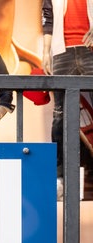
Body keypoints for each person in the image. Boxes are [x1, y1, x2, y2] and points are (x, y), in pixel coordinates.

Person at [41, 0, 93, 198]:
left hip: (89, 49)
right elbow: (48, 17)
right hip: (62, 51)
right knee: (59, 116)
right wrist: (46, 52)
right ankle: (59, 177)